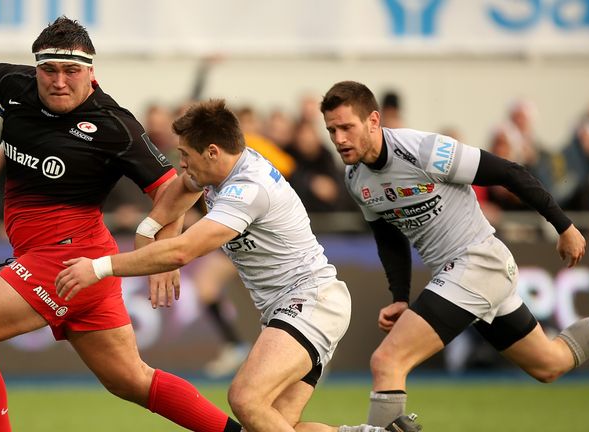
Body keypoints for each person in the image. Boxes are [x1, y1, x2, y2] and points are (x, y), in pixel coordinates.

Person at [0, 17, 241, 432]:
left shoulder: (115, 126)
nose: (59, 81)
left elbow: (175, 189)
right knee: (131, 380)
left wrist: (165, 253)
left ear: (90, 71)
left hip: (67, 259)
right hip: (81, 264)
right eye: (49, 70)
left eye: (72, 71)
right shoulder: (13, 83)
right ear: (36, 67)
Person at [54, 99, 421, 432]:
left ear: (212, 151)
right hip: (301, 306)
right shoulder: (216, 170)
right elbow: (181, 188)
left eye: (185, 153)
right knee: (271, 425)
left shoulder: (248, 189)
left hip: (310, 302)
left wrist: (100, 267)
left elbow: (184, 252)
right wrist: (149, 230)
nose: (180, 162)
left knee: (245, 399)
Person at [320, 80, 589, 427]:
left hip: (478, 263)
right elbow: (388, 234)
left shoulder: (423, 150)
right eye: (332, 130)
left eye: (347, 127)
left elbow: (509, 172)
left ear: (374, 121)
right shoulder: (354, 177)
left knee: (387, 361)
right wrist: (400, 297)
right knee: (550, 364)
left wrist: (564, 226)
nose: (339, 139)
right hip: (465, 276)